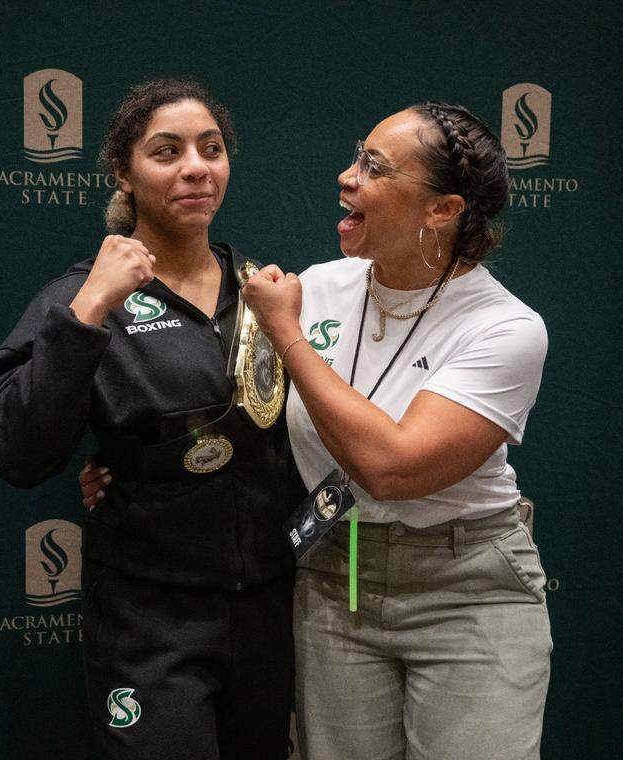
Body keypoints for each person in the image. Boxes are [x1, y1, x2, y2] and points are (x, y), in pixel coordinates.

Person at [0, 80, 303, 760]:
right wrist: (92, 309)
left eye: (211, 149)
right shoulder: (79, 296)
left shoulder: (269, 295)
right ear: (124, 172)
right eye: (167, 151)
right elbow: (18, 453)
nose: (195, 167)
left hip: (269, 615)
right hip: (150, 626)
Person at [241, 102, 552, 760]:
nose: (346, 177)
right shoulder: (319, 288)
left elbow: (394, 469)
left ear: (444, 210)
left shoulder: (505, 328)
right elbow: (252, 425)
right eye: (358, 156)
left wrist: (289, 338)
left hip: (464, 586)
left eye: (374, 168)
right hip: (334, 580)